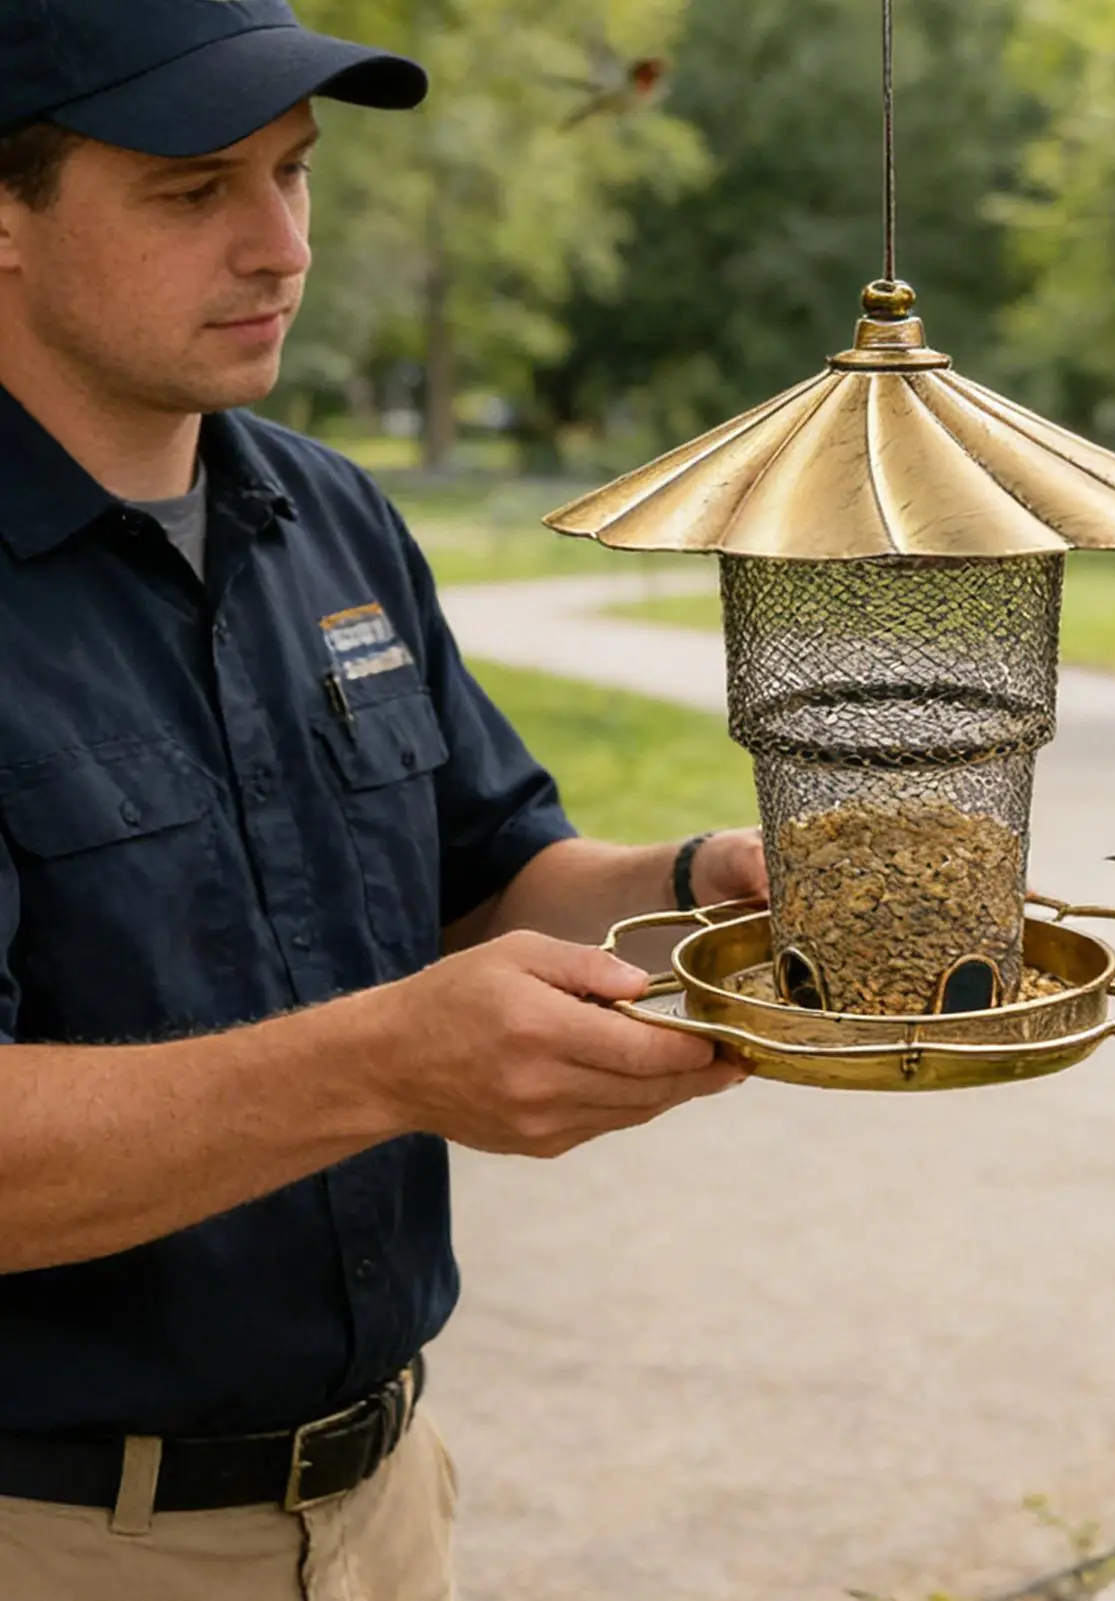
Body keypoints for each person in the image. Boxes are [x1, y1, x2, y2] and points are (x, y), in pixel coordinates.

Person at [0, 4, 766, 1597]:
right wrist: (390, 1062)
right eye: (193, 191)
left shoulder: (329, 514)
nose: (278, 246)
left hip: (383, 1507)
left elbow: (489, 876)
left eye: (295, 175)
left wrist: (714, 889)